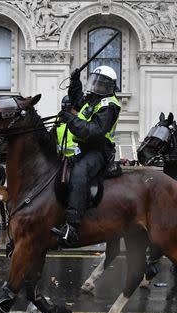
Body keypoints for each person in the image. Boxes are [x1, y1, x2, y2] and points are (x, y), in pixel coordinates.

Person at [51, 65, 121, 246]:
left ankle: (72, 227)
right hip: (85, 149)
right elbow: (77, 99)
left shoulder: (109, 105)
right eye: (95, 82)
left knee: (79, 173)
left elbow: (95, 131)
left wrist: (71, 120)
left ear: (109, 87)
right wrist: (75, 80)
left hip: (99, 150)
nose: (96, 86)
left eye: (100, 84)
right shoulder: (93, 101)